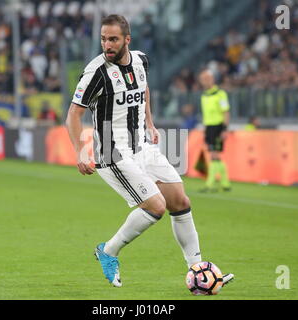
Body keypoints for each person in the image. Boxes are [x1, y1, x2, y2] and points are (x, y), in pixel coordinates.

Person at [66, 14, 234, 288]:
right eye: (103, 39)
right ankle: (108, 251)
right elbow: (73, 114)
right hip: (113, 152)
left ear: (127, 40)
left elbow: (142, 90)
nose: (107, 44)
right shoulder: (96, 72)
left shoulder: (141, 60)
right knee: (156, 206)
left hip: (141, 145)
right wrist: (81, 150)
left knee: (180, 201)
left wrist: (150, 122)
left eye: (113, 39)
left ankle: (198, 270)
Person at [198, 70, 231, 192]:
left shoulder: (220, 94)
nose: (204, 82)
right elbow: (205, 114)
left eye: (206, 79)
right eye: (202, 79)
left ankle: (210, 183)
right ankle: (225, 183)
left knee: (214, 154)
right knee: (214, 154)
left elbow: (226, 111)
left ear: (212, 79)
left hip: (218, 126)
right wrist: (204, 128)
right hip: (209, 127)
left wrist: (225, 129)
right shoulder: (204, 95)